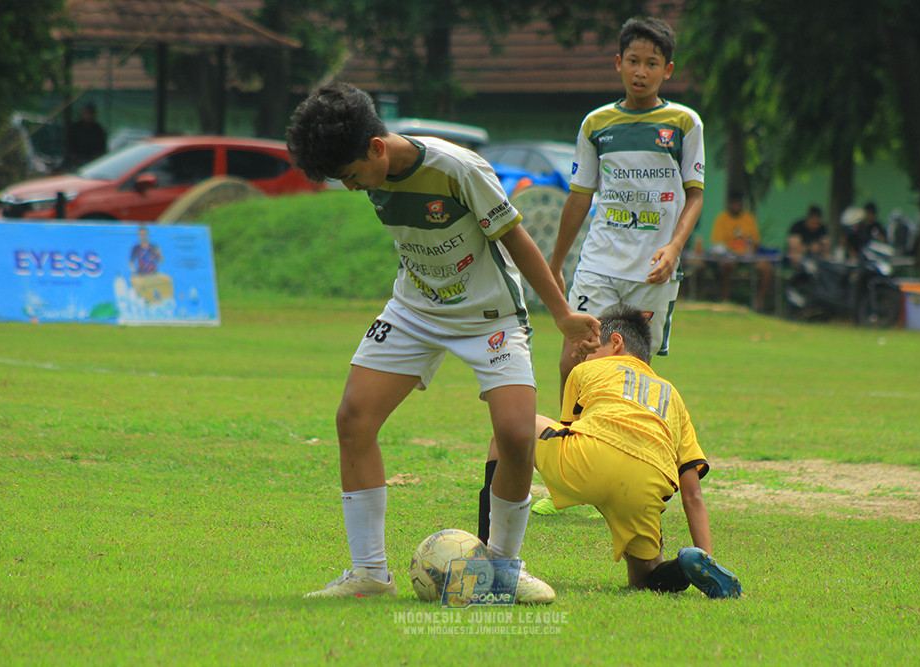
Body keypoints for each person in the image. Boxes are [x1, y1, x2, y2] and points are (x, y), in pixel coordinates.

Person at [286, 83, 600, 603]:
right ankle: (368, 573)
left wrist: (563, 314)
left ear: (377, 147)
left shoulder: (460, 169)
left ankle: (502, 569)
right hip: (415, 309)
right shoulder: (371, 172)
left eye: (350, 176)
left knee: (518, 435)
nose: (351, 188)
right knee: (353, 419)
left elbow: (515, 239)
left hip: (489, 314)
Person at [478, 304, 742, 598]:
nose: (586, 355)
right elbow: (692, 495)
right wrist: (708, 555)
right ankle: (688, 565)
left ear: (615, 342)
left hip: (589, 459)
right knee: (646, 576)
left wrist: (582, 363)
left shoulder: (586, 369)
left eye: (591, 348)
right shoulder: (672, 394)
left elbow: (569, 430)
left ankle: (488, 560)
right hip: (647, 486)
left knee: (507, 437)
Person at [549, 17, 705, 397]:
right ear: (618, 62)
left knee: (634, 366)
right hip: (600, 263)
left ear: (666, 71)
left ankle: (626, 443)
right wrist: (554, 264)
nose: (641, 72)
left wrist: (674, 248)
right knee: (574, 358)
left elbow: (695, 195)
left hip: (652, 269)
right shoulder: (596, 124)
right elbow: (579, 197)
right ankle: (567, 442)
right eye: (633, 61)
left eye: (652, 64)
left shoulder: (684, 123)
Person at [709, 190, 774, 311]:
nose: (736, 206)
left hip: (748, 256)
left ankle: (759, 301)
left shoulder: (749, 219)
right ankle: (725, 298)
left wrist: (748, 251)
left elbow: (755, 242)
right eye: (734, 203)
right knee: (726, 266)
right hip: (730, 256)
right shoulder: (722, 219)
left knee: (767, 268)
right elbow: (718, 245)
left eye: (738, 204)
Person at [69, 103, 107, 168]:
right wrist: (75, 158)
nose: (88, 115)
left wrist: (95, 157)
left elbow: (102, 147)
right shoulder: (76, 128)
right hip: (79, 159)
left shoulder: (98, 129)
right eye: (86, 113)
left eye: (91, 113)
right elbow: (70, 145)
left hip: (94, 160)